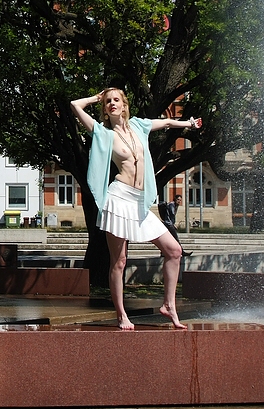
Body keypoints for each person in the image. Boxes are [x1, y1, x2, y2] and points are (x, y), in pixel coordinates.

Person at [71, 88, 201, 330]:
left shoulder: (138, 127)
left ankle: (168, 305)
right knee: (119, 261)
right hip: (118, 199)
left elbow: (166, 122)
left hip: (139, 202)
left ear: (124, 104)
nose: (112, 104)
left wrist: (188, 123)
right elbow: (75, 105)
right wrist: (95, 98)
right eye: (108, 101)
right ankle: (121, 315)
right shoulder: (103, 134)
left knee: (174, 251)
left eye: (116, 100)